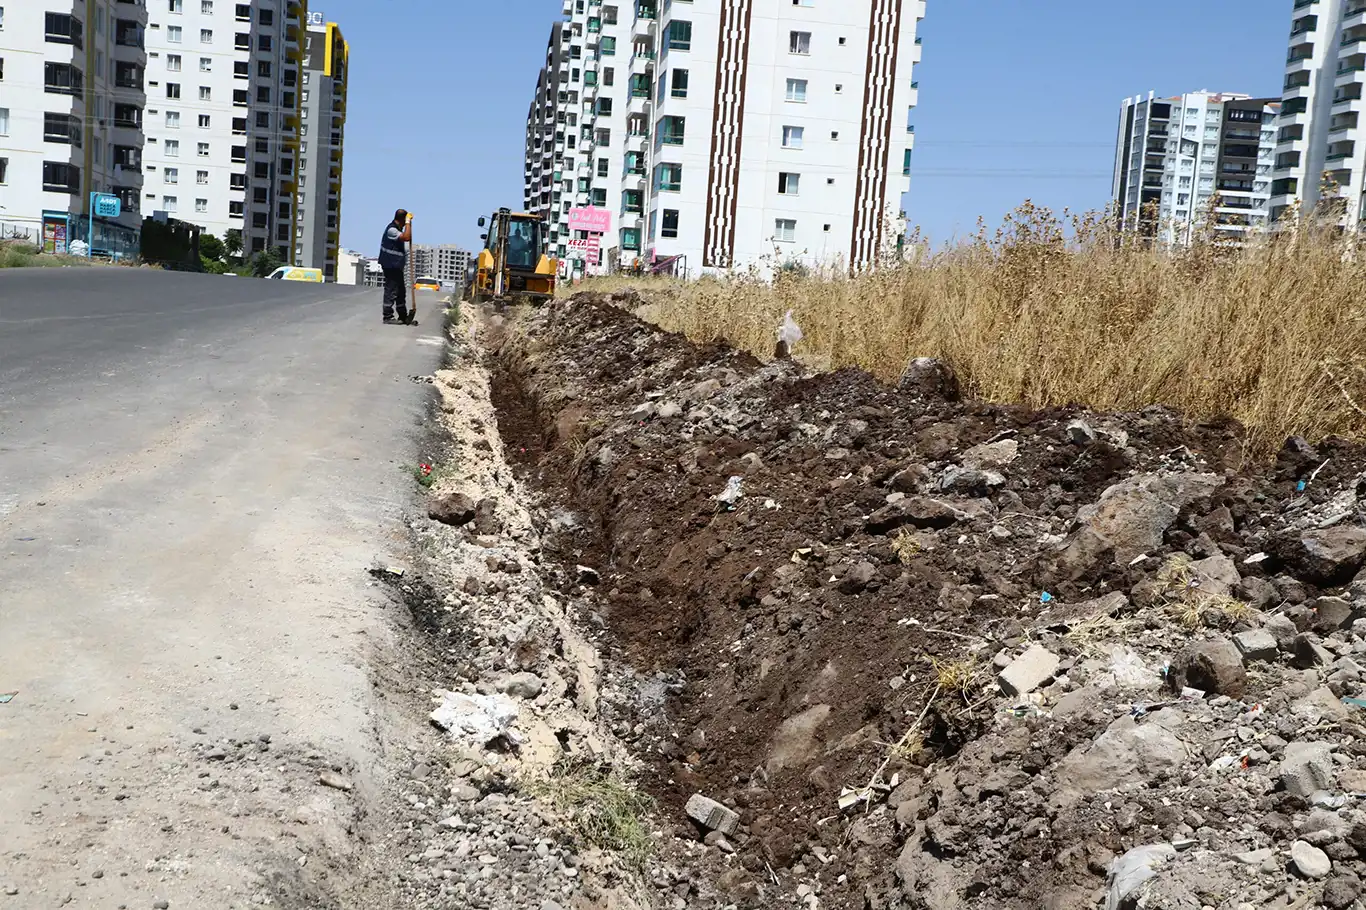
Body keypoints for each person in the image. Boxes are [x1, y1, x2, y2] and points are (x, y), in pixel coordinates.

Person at [378, 209, 416, 325]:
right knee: (391, 290)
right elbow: (407, 237)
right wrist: (408, 223)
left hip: (396, 265)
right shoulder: (392, 230)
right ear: (402, 220)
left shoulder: (397, 229)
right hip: (390, 264)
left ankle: (403, 316)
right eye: (404, 222)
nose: (405, 225)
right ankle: (387, 316)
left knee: (400, 291)